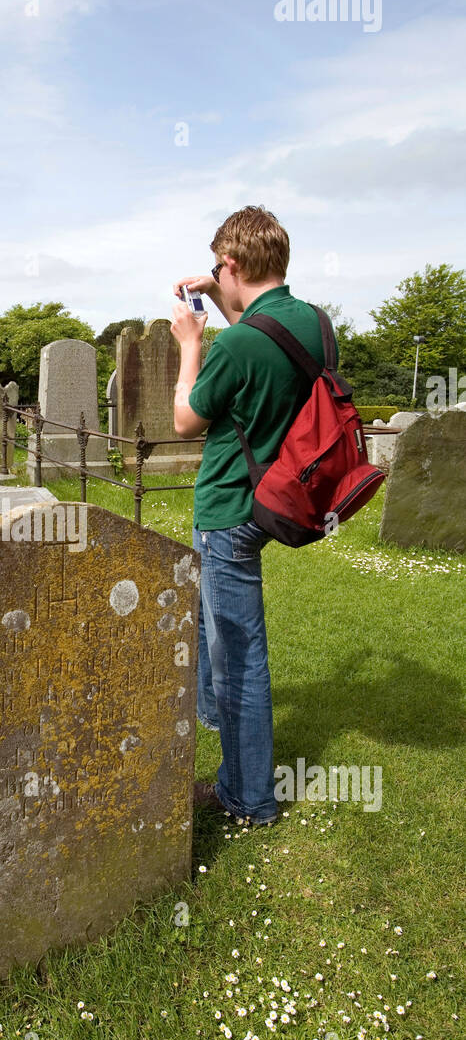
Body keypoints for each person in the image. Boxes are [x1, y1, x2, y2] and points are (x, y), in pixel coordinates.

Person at [170, 206, 338, 828]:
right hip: (282, 498)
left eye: (219, 268)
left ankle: (248, 796)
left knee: (239, 652)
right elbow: (268, 343)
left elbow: (185, 421)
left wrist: (191, 345)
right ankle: (216, 719)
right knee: (214, 626)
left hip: (229, 509)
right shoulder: (314, 324)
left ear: (234, 264)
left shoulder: (235, 344)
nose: (214, 276)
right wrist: (223, 297)